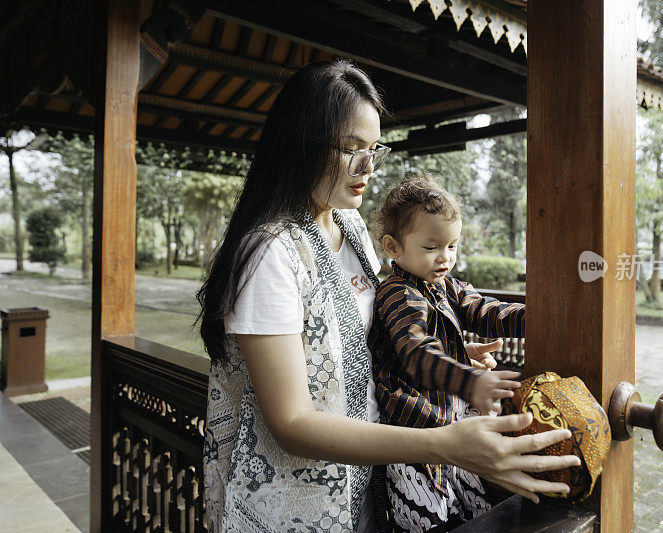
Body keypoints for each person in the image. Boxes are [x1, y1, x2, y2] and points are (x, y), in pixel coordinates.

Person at [198, 59, 580, 533]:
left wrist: (450, 350)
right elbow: (291, 422)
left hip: (366, 489)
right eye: (350, 149)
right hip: (289, 507)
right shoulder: (271, 253)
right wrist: (444, 444)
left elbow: (370, 338)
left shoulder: (351, 227)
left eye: (374, 148)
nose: (368, 166)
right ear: (302, 144)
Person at [368, 176, 526, 531]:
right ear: (393, 247)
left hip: (449, 426)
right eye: (431, 247)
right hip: (412, 437)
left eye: (452, 246)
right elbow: (417, 353)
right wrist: (470, 382)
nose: (446, 257)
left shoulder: (444, 286)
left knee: (470, 511)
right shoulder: (398, 294)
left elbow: (484, 310)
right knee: (429, 521)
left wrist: (536, 318)